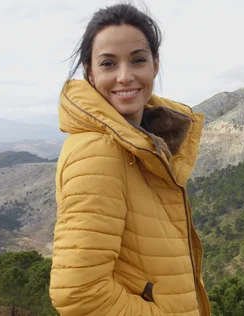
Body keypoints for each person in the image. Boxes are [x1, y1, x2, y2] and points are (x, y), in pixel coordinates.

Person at [49, 3, 211, 316]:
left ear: (155, 65)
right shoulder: (100, 151)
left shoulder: (144, 145)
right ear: (90, 73)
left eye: (137, 60)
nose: (125, 76)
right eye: (108, 64)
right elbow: (79, 294)